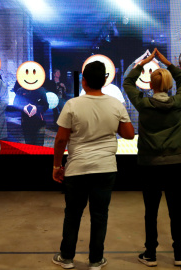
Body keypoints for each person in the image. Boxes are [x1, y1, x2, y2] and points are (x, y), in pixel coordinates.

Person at [51, 61, 134, 270]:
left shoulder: (72, 104)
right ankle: (96, 260)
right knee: (100, 215)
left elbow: (60, 140)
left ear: (84, 81)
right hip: (105, 168)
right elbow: (129, 134)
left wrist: (56, 166)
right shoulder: (116, 104)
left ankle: (67, 258)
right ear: (105, 81)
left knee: (73, 214)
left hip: (77, 168)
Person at [123, 48, 181, 267]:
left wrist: (144, 62)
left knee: (150, 212)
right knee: (175, 211)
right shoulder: (178, 102)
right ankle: (179, 253)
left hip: (149, 165)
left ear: (150, 85)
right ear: (169, 85)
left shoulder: (143, 104)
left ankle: (150, 253)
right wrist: (167, 63)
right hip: (175, 164)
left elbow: (127, 83)